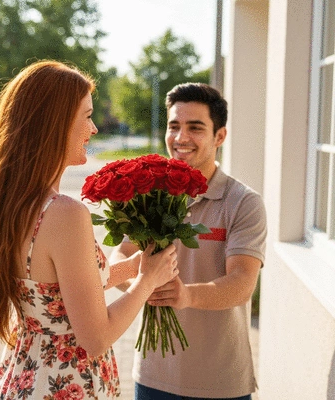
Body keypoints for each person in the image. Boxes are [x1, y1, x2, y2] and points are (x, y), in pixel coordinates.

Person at [0, 59, 179, 399]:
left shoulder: (11, 202)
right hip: (65, 384)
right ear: (55, 124)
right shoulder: (65, 214)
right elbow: (95, 338)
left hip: (25, 375)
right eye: (87, 116)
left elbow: (57, 291)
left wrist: (135, 268)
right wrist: (147, 282)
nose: (93, 129)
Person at [110, 82, 267, 400]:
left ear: (219, 136)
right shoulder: (147, 194)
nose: (181, 138)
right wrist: (143, 284)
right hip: (154, 377)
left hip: (221, 382)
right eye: (174, 126)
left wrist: (185, 295)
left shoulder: (242, 202)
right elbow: (119, 259)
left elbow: (242, 282)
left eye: (195, 128)